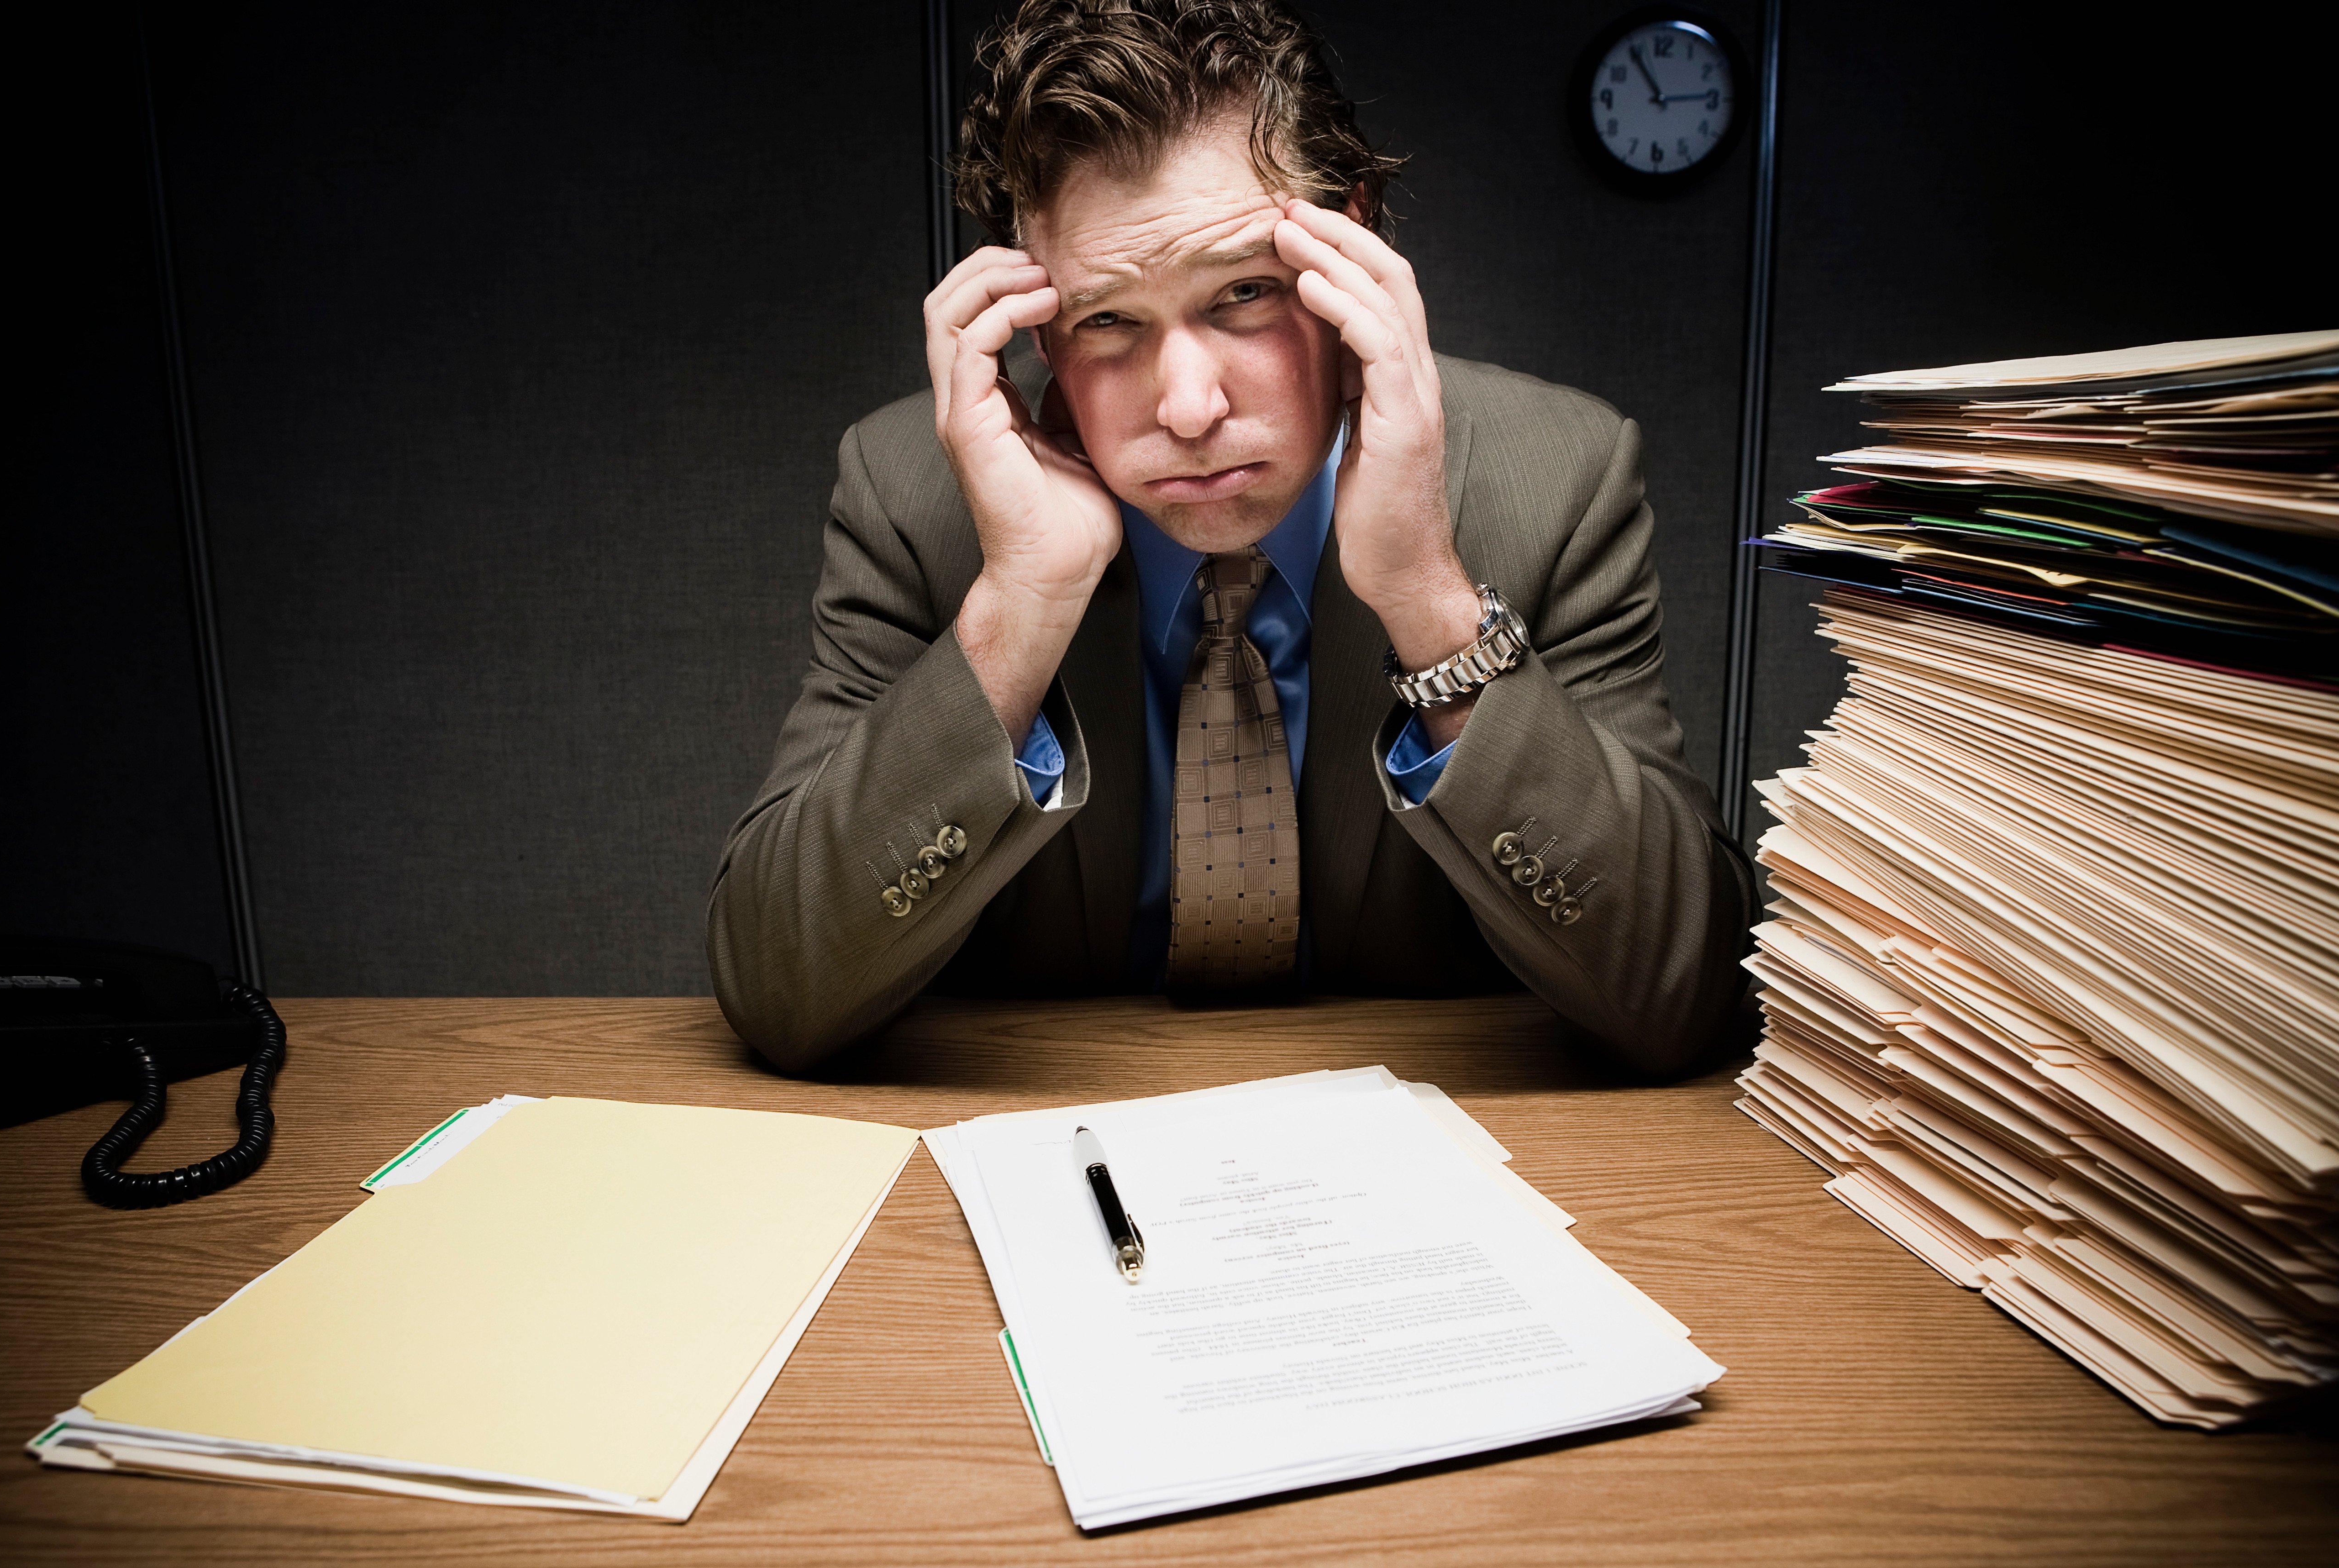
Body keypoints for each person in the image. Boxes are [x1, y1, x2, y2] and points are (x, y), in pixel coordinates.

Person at [707, 0, 1751, 1075]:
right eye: (1107, 320)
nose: (1189, 406)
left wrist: (1430, 603)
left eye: (1243, 294)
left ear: (1351, 249)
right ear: (1033, 318)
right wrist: (1018, 602)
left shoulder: (1555, 478)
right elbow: (781, 989)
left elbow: (1679, 994)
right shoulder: (913, 496)